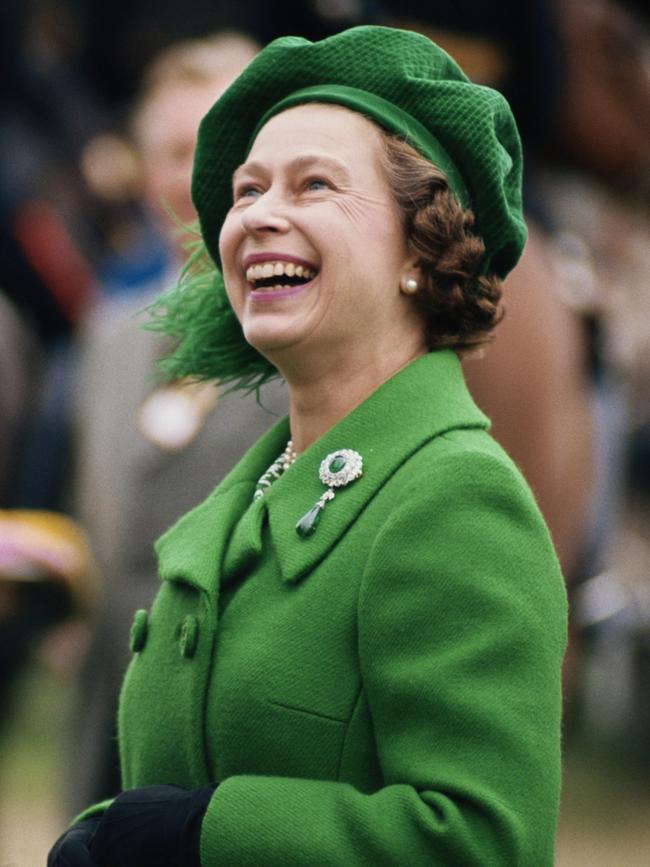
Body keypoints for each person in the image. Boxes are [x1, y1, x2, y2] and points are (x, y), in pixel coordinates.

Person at [48, 25, 567, 867]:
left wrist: (203, 832)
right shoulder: (244, 495)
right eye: (248, 190)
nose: (259, 215)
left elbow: (482, 843)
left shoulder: (456, 496)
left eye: (314, 184)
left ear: (419, 246)